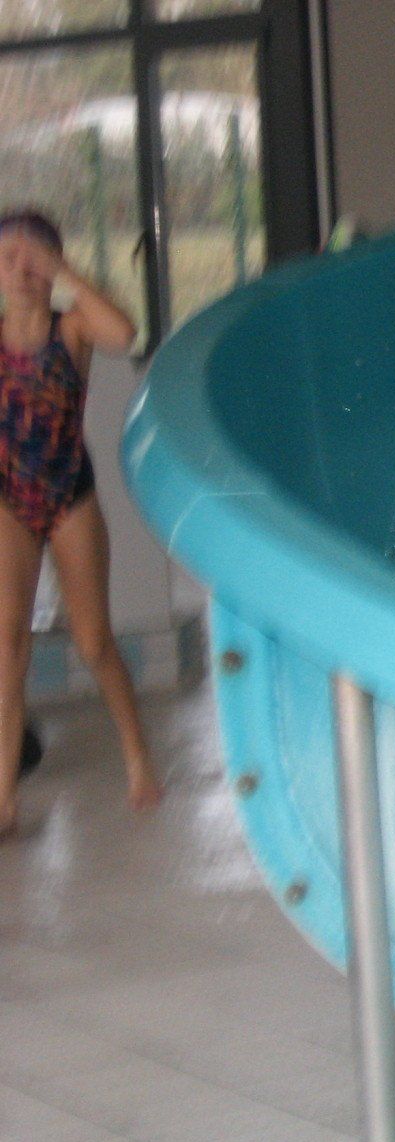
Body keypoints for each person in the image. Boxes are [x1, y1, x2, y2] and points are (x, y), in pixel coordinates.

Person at [0, 210, 161, 837]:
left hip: (70, 495)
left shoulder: (71, 330)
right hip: (8, 500)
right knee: (8, 644)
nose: (20, 271)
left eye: (32, 260)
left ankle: (137, 753)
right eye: (7, 260)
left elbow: (125, 332)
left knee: (93, 643)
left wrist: (64, 269)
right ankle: (4, 796)